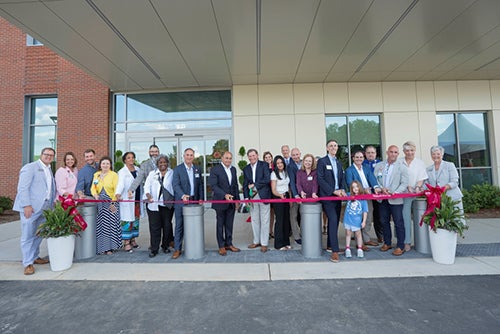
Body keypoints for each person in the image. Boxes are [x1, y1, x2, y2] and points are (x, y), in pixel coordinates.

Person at [13, 147, 56, 275]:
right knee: (28, 235)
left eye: (51, 155)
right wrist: (26, 205)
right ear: (41, 155)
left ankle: (35, 256)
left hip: (46, 207)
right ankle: (27, 263)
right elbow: (22, 188)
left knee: (40, 233)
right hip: (31, 208)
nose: (48, 157)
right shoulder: (30, 167)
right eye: (46, 154)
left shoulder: (49, 169)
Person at [373, 145, 409, 256]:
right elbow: (375, 179)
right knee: (384, 221)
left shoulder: (402, 167)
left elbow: (404, 183)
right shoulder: (379, 165)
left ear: (398, 154)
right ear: (387, 152)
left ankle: (400, 246)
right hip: (383, 198)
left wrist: (395, 192)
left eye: (395, 152)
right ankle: (387, 243)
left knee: (398, 222)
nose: (393, 154)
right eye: (391, 152)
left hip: (396, 199)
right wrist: (381, 189)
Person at [317, 140, 347, 263]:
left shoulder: (339, 163)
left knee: (333, 222)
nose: (333, 147)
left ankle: (330, 245)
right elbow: (320, 179)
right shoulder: (322, 161)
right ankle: (335, 251)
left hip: (338, 196)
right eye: (331, 146)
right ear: (327, 148)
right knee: (333, 219)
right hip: (327, 196)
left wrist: (343, 190)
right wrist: (332, 191)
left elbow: (341, 178)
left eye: (335, 145)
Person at [171, 148, 204, 259]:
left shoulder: (197, 169)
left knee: (194, 225)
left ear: (193, 157)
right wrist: (182, 195)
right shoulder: (177, 169)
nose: (189, 157)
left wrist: (200, 198)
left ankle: (192, 247)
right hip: (181, 201)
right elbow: (175, 185)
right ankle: (177, 249)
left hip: (194, 201)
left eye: (191, 155)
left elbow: (200, 185)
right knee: (179, 226)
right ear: (183, 156)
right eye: (187, 155)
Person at [345, 150, 381, 249]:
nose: (359, 159)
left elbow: (372, 179)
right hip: (356, 198)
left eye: (361, 157)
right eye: (357, 157)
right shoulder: (349, 170)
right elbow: (350, 184)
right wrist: (363, 190)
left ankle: (366, 239)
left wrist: (376, 187)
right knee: (357, 219)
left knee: (368, 218)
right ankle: (359, 243)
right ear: (353, 158)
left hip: (368, 197)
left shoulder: (366, 168)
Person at [208, 151, 241, 256]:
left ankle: (229, 243)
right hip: (220, 201)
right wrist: (224, 195)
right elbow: (214, 186)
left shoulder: (233, 169)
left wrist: (237, 200)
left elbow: (235, 185)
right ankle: (221, 246)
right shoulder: (215, 170)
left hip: (231, 202)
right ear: (222, 158)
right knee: (220, 225)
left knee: (229, 224)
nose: (228, 160)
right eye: (226, 158)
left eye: (230, 158)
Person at [143, 155, 175, 257]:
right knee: (154, 228)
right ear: (157, 164)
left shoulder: (172, 173)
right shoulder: (152, 174)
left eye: (164, 162)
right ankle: (154, 249)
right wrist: (148, 194)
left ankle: (165, 246)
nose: (162, 164)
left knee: (167, 226)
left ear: (167, 163)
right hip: (154, 205)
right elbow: (146, 186)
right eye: (160, 162)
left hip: (167, 205)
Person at [243, 148, 272, 253]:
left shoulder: (264, 165)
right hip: (252, 197)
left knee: (265, 220)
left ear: (257, 155)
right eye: (250, 156)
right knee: (254, 220)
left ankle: (264, 243)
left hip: (263, 195)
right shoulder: (246, 168)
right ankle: (256, 241)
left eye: (253, 155)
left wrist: (255, 185)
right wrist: (246, 198)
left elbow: (267, 179)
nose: (252, 157)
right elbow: (245, 184)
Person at [400, 141, 427, 252]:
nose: (409, 152)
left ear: (414, 151)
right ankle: (406, 242)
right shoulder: (399, 162)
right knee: (405, 218)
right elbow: (398, 177)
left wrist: (417, 187)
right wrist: (407, 186)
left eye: (411, 150)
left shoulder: (419, 163)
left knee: (420, 218)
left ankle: (422, 242)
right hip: (404, 193)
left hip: (417, 193)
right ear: (404, 151)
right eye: (407, 150)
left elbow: (421, 178)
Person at [91, 156, 121, 255]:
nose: (105, 165)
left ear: (110, 165)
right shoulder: (97, 175)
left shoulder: (114, 175)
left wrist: (113, 202)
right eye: (103, 163)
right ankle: (102, 248)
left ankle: (110, 248)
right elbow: (93, 187)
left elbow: (117, 189)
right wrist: (95, 194)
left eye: (107, 164)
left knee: (111, 225)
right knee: (102, 226)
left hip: (111, 202)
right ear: (100, 165)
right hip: (100, 203)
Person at [425, 145, 464, 213]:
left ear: (442, 154)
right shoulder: (428, 169)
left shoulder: (449, 165)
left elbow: (455, 181)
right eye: (433, 154)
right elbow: (426, 184)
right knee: (440, 221)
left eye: (438, 154)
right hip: (437, 199)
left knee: (455, 220)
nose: (435, 156)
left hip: (452, 197)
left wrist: (443, 188)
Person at [115, 152, 141, 252]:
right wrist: (118, 193)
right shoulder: (122, 172)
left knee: (135, 221)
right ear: (125, 160)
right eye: (128, 158)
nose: (131, 159)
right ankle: (126, 243)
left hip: (137, 200)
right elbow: (120, 184)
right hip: (127, 199)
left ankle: (133, 240)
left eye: (132, 157)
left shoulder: (138, 170)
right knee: (127, 221)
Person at [270, 155, 292, 250]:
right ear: (275, 164)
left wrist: (290, 199)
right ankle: (279, 244)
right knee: (279, 220)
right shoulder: (273, 174)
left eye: (281, 162)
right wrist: (280, 195)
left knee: (286, 220)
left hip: (286, 196)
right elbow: (273, 190)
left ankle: (286, 242)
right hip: (278, 197)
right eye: (277, 163)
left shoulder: (286, 172)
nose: (279, 164)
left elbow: (288, 187)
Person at [362, 145, 383, 243]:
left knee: (379, 215)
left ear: (376, 154)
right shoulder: (361, 163)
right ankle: (362, 236)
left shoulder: (381, 164)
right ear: (365, 154)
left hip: (378, 194)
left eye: (372, 152)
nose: (370, 154)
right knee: (366, 215)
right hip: (366, 194)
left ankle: (380, 235)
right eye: (368, 153)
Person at [343, 181, 368, 258]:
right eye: (353, 187)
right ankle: (347, 248)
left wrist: (364, 221)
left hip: (357, 221)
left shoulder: (363, 198)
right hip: (348, 219)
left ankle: (360, 248)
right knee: (348, 234)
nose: (355, 188)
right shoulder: (349, 195)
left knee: (358, 234)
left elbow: (365, 211)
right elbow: (342, 195)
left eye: (357, 186)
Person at [288, 147, 302, 245]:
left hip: (305, 194)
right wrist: (295, 195)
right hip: (294, 194)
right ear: (291, 156)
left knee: (304, 215)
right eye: (293, 155)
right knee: (293, 215)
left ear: (300, 154)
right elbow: (292, 182)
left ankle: (304, 233)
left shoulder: (304, 163)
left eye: (297, 154)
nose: (295, 156)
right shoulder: (290, 166)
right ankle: (296, 236)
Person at [263, 151, 275, 239]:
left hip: (274, 191)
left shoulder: (275, 167)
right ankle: (266, 232)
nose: (268, 159)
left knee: (273, 213)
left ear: (271, 158)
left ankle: (271, 231)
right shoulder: (262, 167)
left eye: (269, 157)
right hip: (266, 191)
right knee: (266, 214)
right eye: (266, 157)